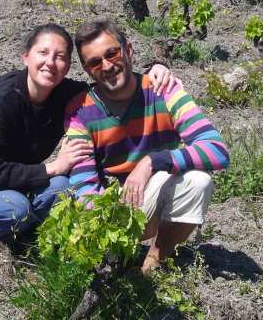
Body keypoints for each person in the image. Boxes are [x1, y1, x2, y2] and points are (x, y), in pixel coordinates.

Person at [0, 23, 179, 279]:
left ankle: (20, 240)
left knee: (63, 187)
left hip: (9, 183)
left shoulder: (63, 95)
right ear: (26, 56)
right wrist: (53, 166)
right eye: (43, 53)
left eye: (60, 57)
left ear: (68, 66)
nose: (50, 62)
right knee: (14, 207)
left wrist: (153, 72)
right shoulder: (0, 102)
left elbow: (111, 83)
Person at [64, 20, 230, 275]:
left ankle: (155, 260)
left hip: (153, 194)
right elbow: (84, 186)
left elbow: (216, 150)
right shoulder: (80, 110)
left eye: (112, 53)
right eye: (95, 62)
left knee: (198, 182)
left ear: (128, 50)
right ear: (88, 70)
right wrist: (106, 232)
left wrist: (152, 162)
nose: (107, 66)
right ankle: (119, 258)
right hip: (112, 206)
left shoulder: (164, 90)